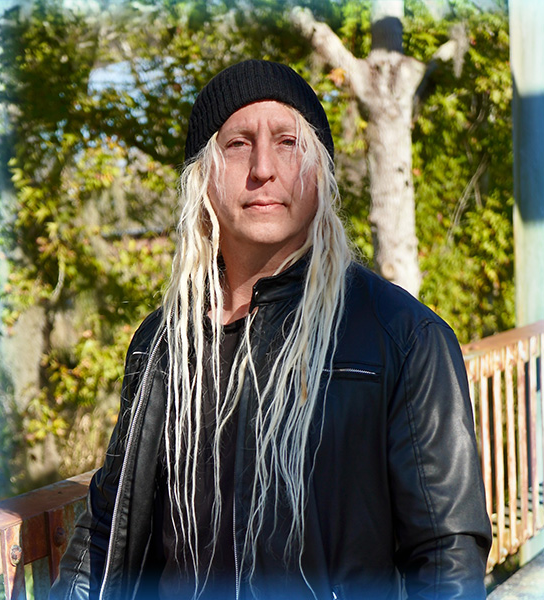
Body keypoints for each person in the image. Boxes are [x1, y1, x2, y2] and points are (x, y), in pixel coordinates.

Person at [51, 59, 492, 600]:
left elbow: (446, 557)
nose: (263, 168)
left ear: (319, 173)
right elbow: (107, 528)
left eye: (288, 142)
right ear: (203, 177)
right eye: (238, 144)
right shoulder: (163, 342)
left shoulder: (401, 336)